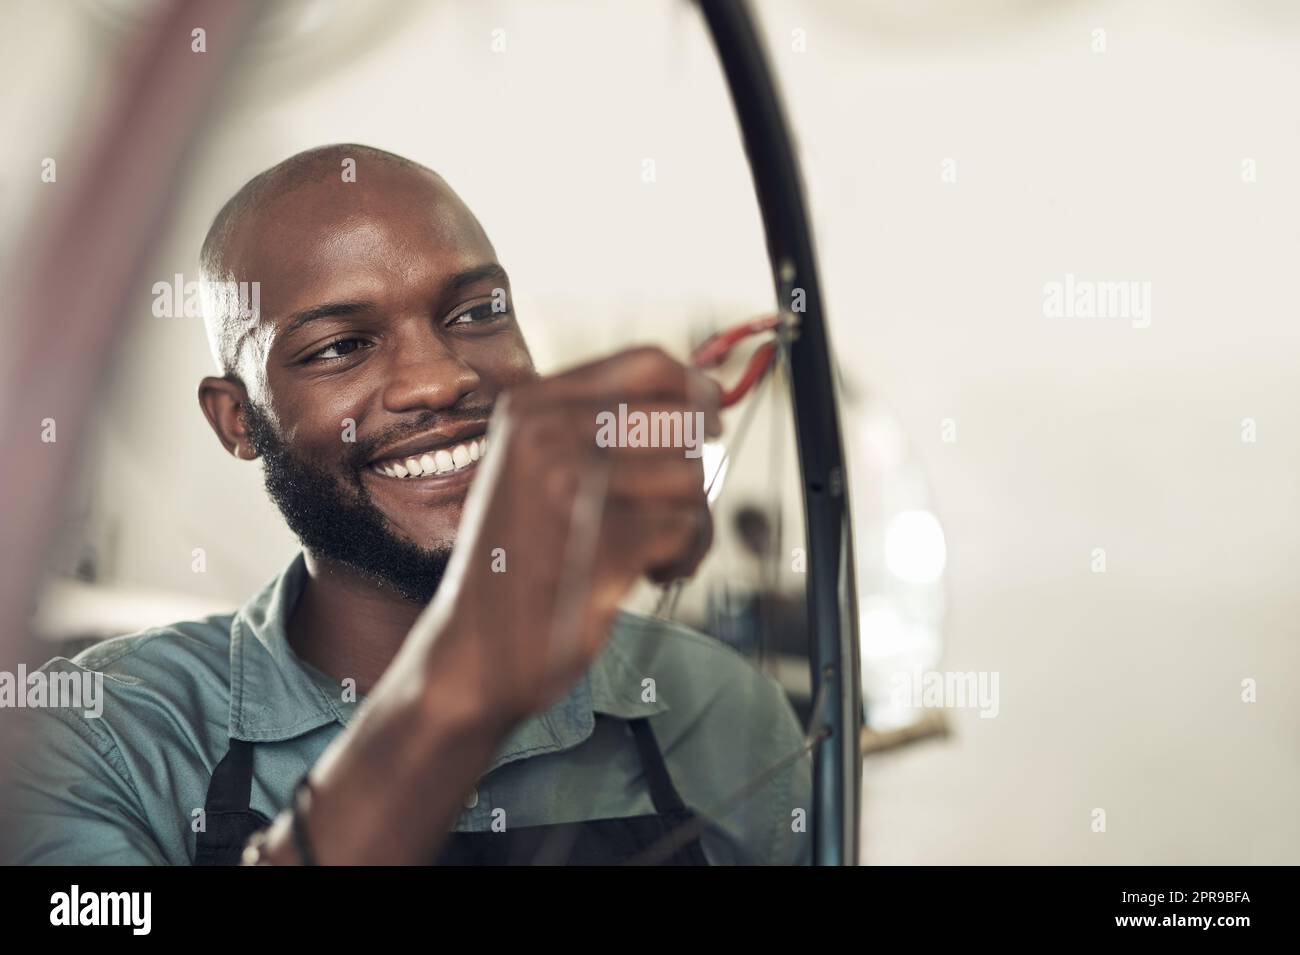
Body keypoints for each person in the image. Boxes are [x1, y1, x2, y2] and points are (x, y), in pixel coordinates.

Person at [3, 145, 810, 865]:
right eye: (339, 347)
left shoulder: (719, 708)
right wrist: (461, 684)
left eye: (474, 313)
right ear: (238, 419)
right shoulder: (101, 741)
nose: (439, 379)